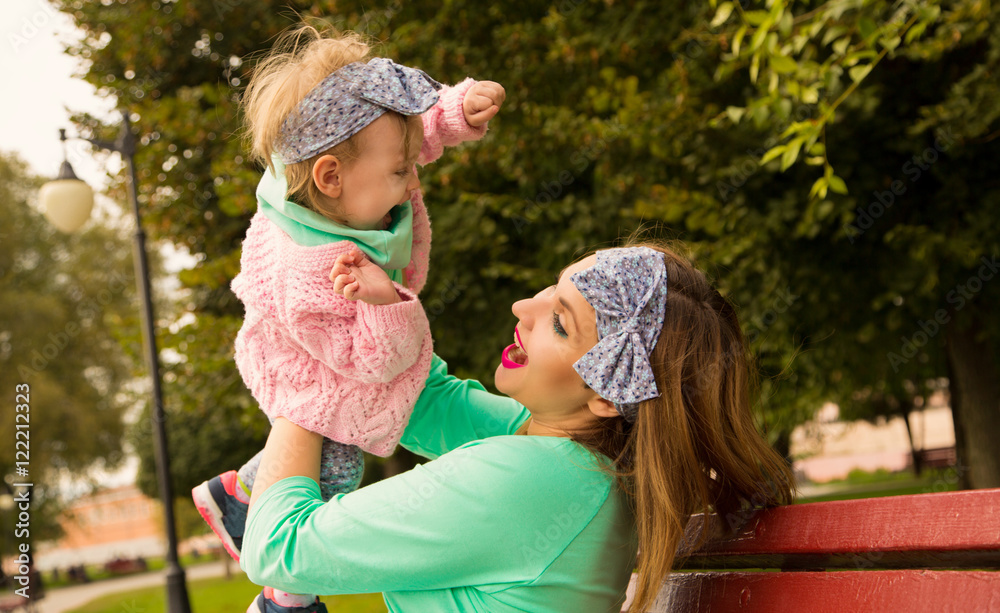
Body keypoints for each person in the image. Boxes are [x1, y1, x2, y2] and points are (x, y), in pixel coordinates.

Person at [240, 242, 796, 613]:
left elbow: (278, 546)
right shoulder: (576, 458)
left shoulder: (529, 477)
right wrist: (383, 315)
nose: (522, 307)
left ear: (605, 395)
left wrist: (300, 382)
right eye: (549, 292)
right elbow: (421, 403)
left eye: (558, 322)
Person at [189, 24, 505, 613]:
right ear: (331, 177)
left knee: (415, 403)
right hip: (315, 364)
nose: (413, 179)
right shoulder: (312, 268)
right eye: (399, 173)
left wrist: (455, 111)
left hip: (363, 337)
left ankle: (241, 491)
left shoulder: (333, 167)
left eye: (410, 163)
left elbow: (411, 134)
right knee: (335, 464)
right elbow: (371, 360)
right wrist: (385, 305)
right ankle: (283, 596)